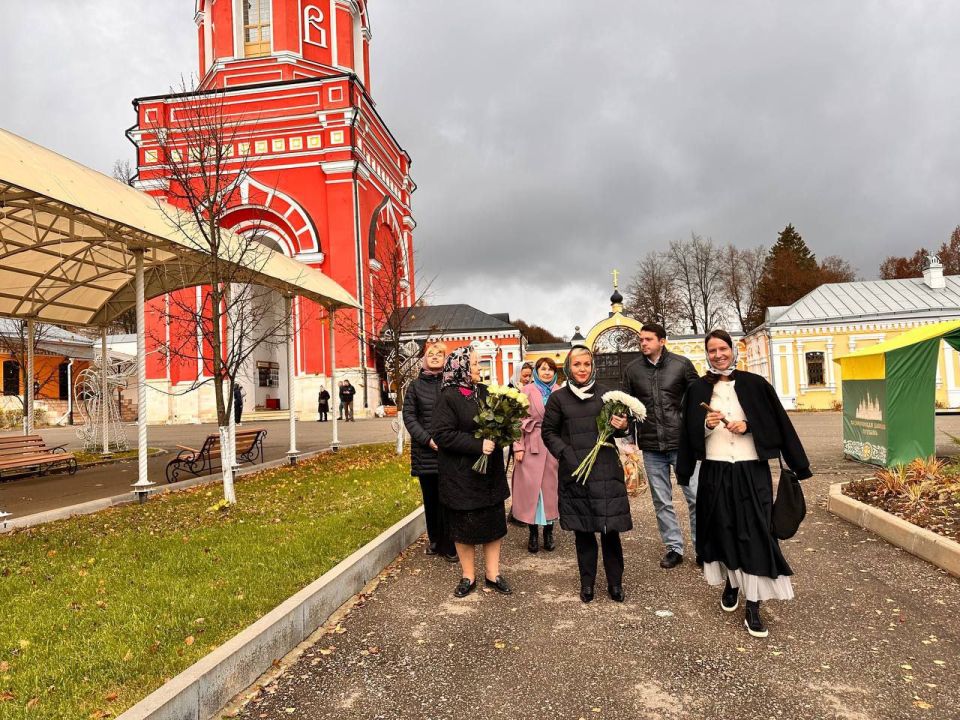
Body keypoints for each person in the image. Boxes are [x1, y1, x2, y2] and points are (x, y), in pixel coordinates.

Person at [677, 330, 811, 638]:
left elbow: (777, 424)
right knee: (723, 529)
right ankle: (731, 582)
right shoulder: (697, 388)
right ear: (706, 354)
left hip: (751, 471)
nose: (718, 354)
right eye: (712, 350)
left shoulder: (755, 384)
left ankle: (753, 605)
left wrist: (748, 426)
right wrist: (706, 426)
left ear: (733, 349)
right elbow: (687, 434)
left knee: (756, 534)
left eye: (723, 348)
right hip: (716, 471)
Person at [542, 345, 631, 603]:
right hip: (576, 471)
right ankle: (587, 583)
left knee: (609, 529)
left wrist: (623, 425)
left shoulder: (607, 394)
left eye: (587, 364)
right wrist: (566, 454)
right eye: (577, 364)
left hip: (605, 469)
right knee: (584, 530)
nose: (582, 369)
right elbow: (548, 432)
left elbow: (621, 428)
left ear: (593, 366)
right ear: (569, 367)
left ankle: (615, 583)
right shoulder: (559, 398)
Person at [432, 347, 512, 597]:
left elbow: (500, 422)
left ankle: (493, 573)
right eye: (475, 363)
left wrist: (504, 433)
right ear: (461, 367)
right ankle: (468, 576)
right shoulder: (448, 396)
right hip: (461, 476)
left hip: (489, 475)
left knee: (493, 524)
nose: (479, 368)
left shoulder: (486, 392)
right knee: (464, 527)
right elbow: (443, 434)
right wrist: (478, 445)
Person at [622, 322, 699, 569]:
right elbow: (625, 407)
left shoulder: (682, 365)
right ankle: (674, 548)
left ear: (662, 341)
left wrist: (695, 428)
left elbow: (698, 397)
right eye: (641, 339)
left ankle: (702, 547)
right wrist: (628, 440)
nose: (643, 343)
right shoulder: (632, 370)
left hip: (681, 443)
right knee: (662, 501)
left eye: (648, 339)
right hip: (652, 446)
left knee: (696, 497)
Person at [403, 340, 456, 561]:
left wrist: (449, 438)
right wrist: (427, 439)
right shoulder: (415, 386)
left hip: (449, 452)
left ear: (446, 359)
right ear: (425, 358)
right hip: (426, 453)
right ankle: (435, 541)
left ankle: (451, 544)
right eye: (431, 353)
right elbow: (409, 416)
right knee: (432, 500)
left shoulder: (452, 383)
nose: (435, 357)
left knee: (450, 500)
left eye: (440, 354)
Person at [512, 357, 560, 553]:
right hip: (531, 443)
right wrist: (518, 447)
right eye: (543, 369)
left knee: (551, 491)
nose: (547, 373)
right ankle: (532, 532)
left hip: (553, 446)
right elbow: (516, 420)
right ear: (536, 372)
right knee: (532, 491)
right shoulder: (526, 391)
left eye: (550, 369)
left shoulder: (560, 391)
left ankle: (549, 532)